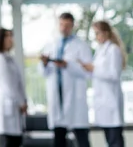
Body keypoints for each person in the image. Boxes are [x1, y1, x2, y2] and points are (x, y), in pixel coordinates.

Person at [39, 12, 93, 147]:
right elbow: (43, 73)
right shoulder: (51, 45)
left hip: (75, 100)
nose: (64, 28)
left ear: (73, 26)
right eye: (62, 25)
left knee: (82, 140)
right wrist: (45, 63)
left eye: (67, 25)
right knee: (59, 140)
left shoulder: (81, 46)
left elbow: (88, 72)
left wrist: (68, 65)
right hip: (57, 99)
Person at [80, 20, 126, 147]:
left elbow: (114, 74)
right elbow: (97, 73)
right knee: (110, 140)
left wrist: (94, 69)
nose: (96, 37)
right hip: (103, 102)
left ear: (105, 33)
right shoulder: (100, 51)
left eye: (97, 33)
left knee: (115, 140)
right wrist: (88, 69)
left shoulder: (113, 50)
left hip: (111, 101)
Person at [0, 28, 27, 147]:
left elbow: (18, 84)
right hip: (5, 105)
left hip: (15, 106)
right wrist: (21, 103)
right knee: (6, 141)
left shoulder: (10, 59)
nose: (11, 39)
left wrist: (24, 101)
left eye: (11, 36)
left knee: (15, 140)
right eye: (7, 36)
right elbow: (7, 85)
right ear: (0, 39)